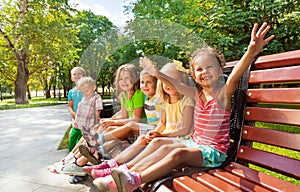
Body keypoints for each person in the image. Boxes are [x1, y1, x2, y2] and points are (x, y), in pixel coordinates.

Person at [96, 22, 275, 192]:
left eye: (209, 67)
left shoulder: (222, 94)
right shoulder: (196, 94)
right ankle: (122, 172)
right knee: (159, 142)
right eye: (199, 69)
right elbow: (177, 85)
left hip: (213, 153)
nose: (204, 72)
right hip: (194, 144)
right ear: (193, 75)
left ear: (220, 70)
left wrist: (251, 52)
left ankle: (133, 181)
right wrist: (156, 73)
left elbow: (235, 76)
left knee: (177, 153)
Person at [91, 62, 195, 191]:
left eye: (174, 81)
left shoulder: (186, 102)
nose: (169, 84)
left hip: (178, 138)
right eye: (166, 81)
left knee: (153, 141)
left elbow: (186, 129)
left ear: (182, 84)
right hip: (165, 135)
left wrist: (161, 135)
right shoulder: (164, 101)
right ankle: (114, 166)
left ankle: (123, 172)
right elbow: (162, 124)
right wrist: (155, 133)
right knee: (143, 139)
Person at [79, 70, 160, 167]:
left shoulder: (140, 95)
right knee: (109, 128)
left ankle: (95, 145)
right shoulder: (127, 96)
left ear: (134, 80)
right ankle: (89, 155)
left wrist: (113, 122)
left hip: (143, 130)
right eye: (121, 79)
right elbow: (124, 115)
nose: (124, 81)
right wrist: (111, 121)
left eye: (127, 78)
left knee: (115, 130)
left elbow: (136, 119)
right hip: (139, 129)